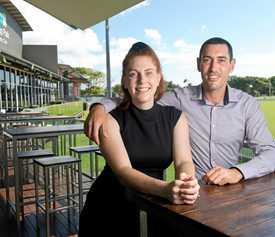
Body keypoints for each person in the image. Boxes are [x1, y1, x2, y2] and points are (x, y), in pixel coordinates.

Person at [84, 37, 275, 186]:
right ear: (198, 64)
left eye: (221, 60)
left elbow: (272, 154)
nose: (213, 67)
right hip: (192, 191)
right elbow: (140, 93)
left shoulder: (247, 105)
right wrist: (99, 107)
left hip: (229, 190)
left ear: (232, 65)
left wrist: (237, 172)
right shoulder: (180, 98)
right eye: (207, 60)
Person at [79, 42, 200, 236]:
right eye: (133, 74)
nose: (142, 80)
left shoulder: (176, 117)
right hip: (110, 209)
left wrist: (186, 182)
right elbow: (124, 172)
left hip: (155, 204)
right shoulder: (110, 120)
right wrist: (165, 189)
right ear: (125, 82)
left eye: (149, 72)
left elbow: (184, 161)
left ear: (159, 77)